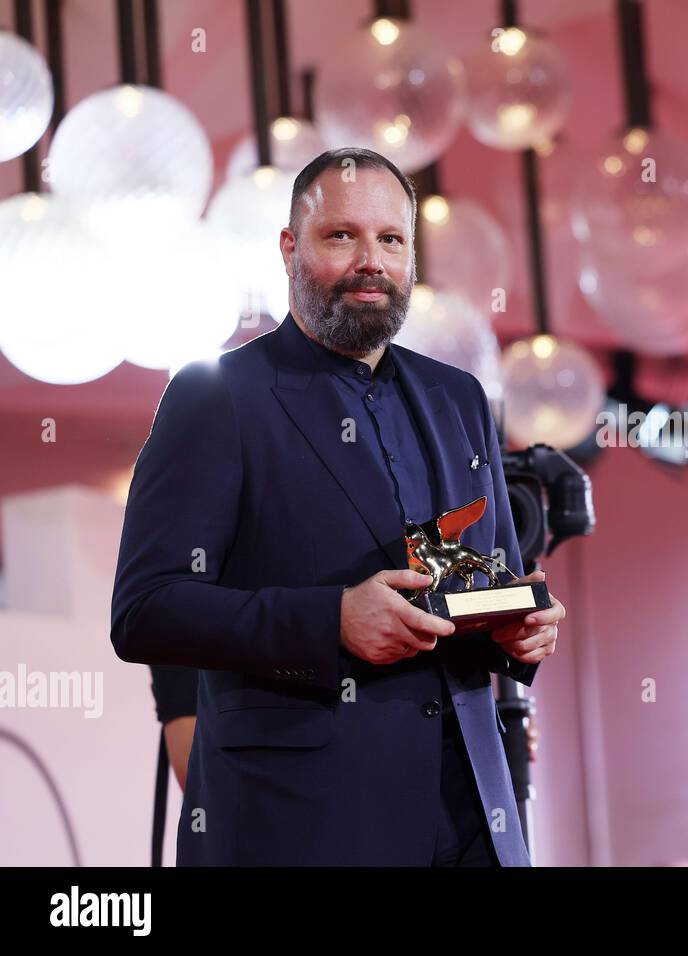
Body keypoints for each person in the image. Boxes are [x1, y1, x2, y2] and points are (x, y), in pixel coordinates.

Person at [110, 147, 564, 866]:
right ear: (290, 249)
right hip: (300, 824)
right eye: (341, 235)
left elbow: (483, 587)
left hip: (473, 814)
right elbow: (145, 611)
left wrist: (520, 628)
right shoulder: (216, 395)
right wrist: (332, 621)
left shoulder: (459, 398)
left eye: (391, 240)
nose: (371, 261)